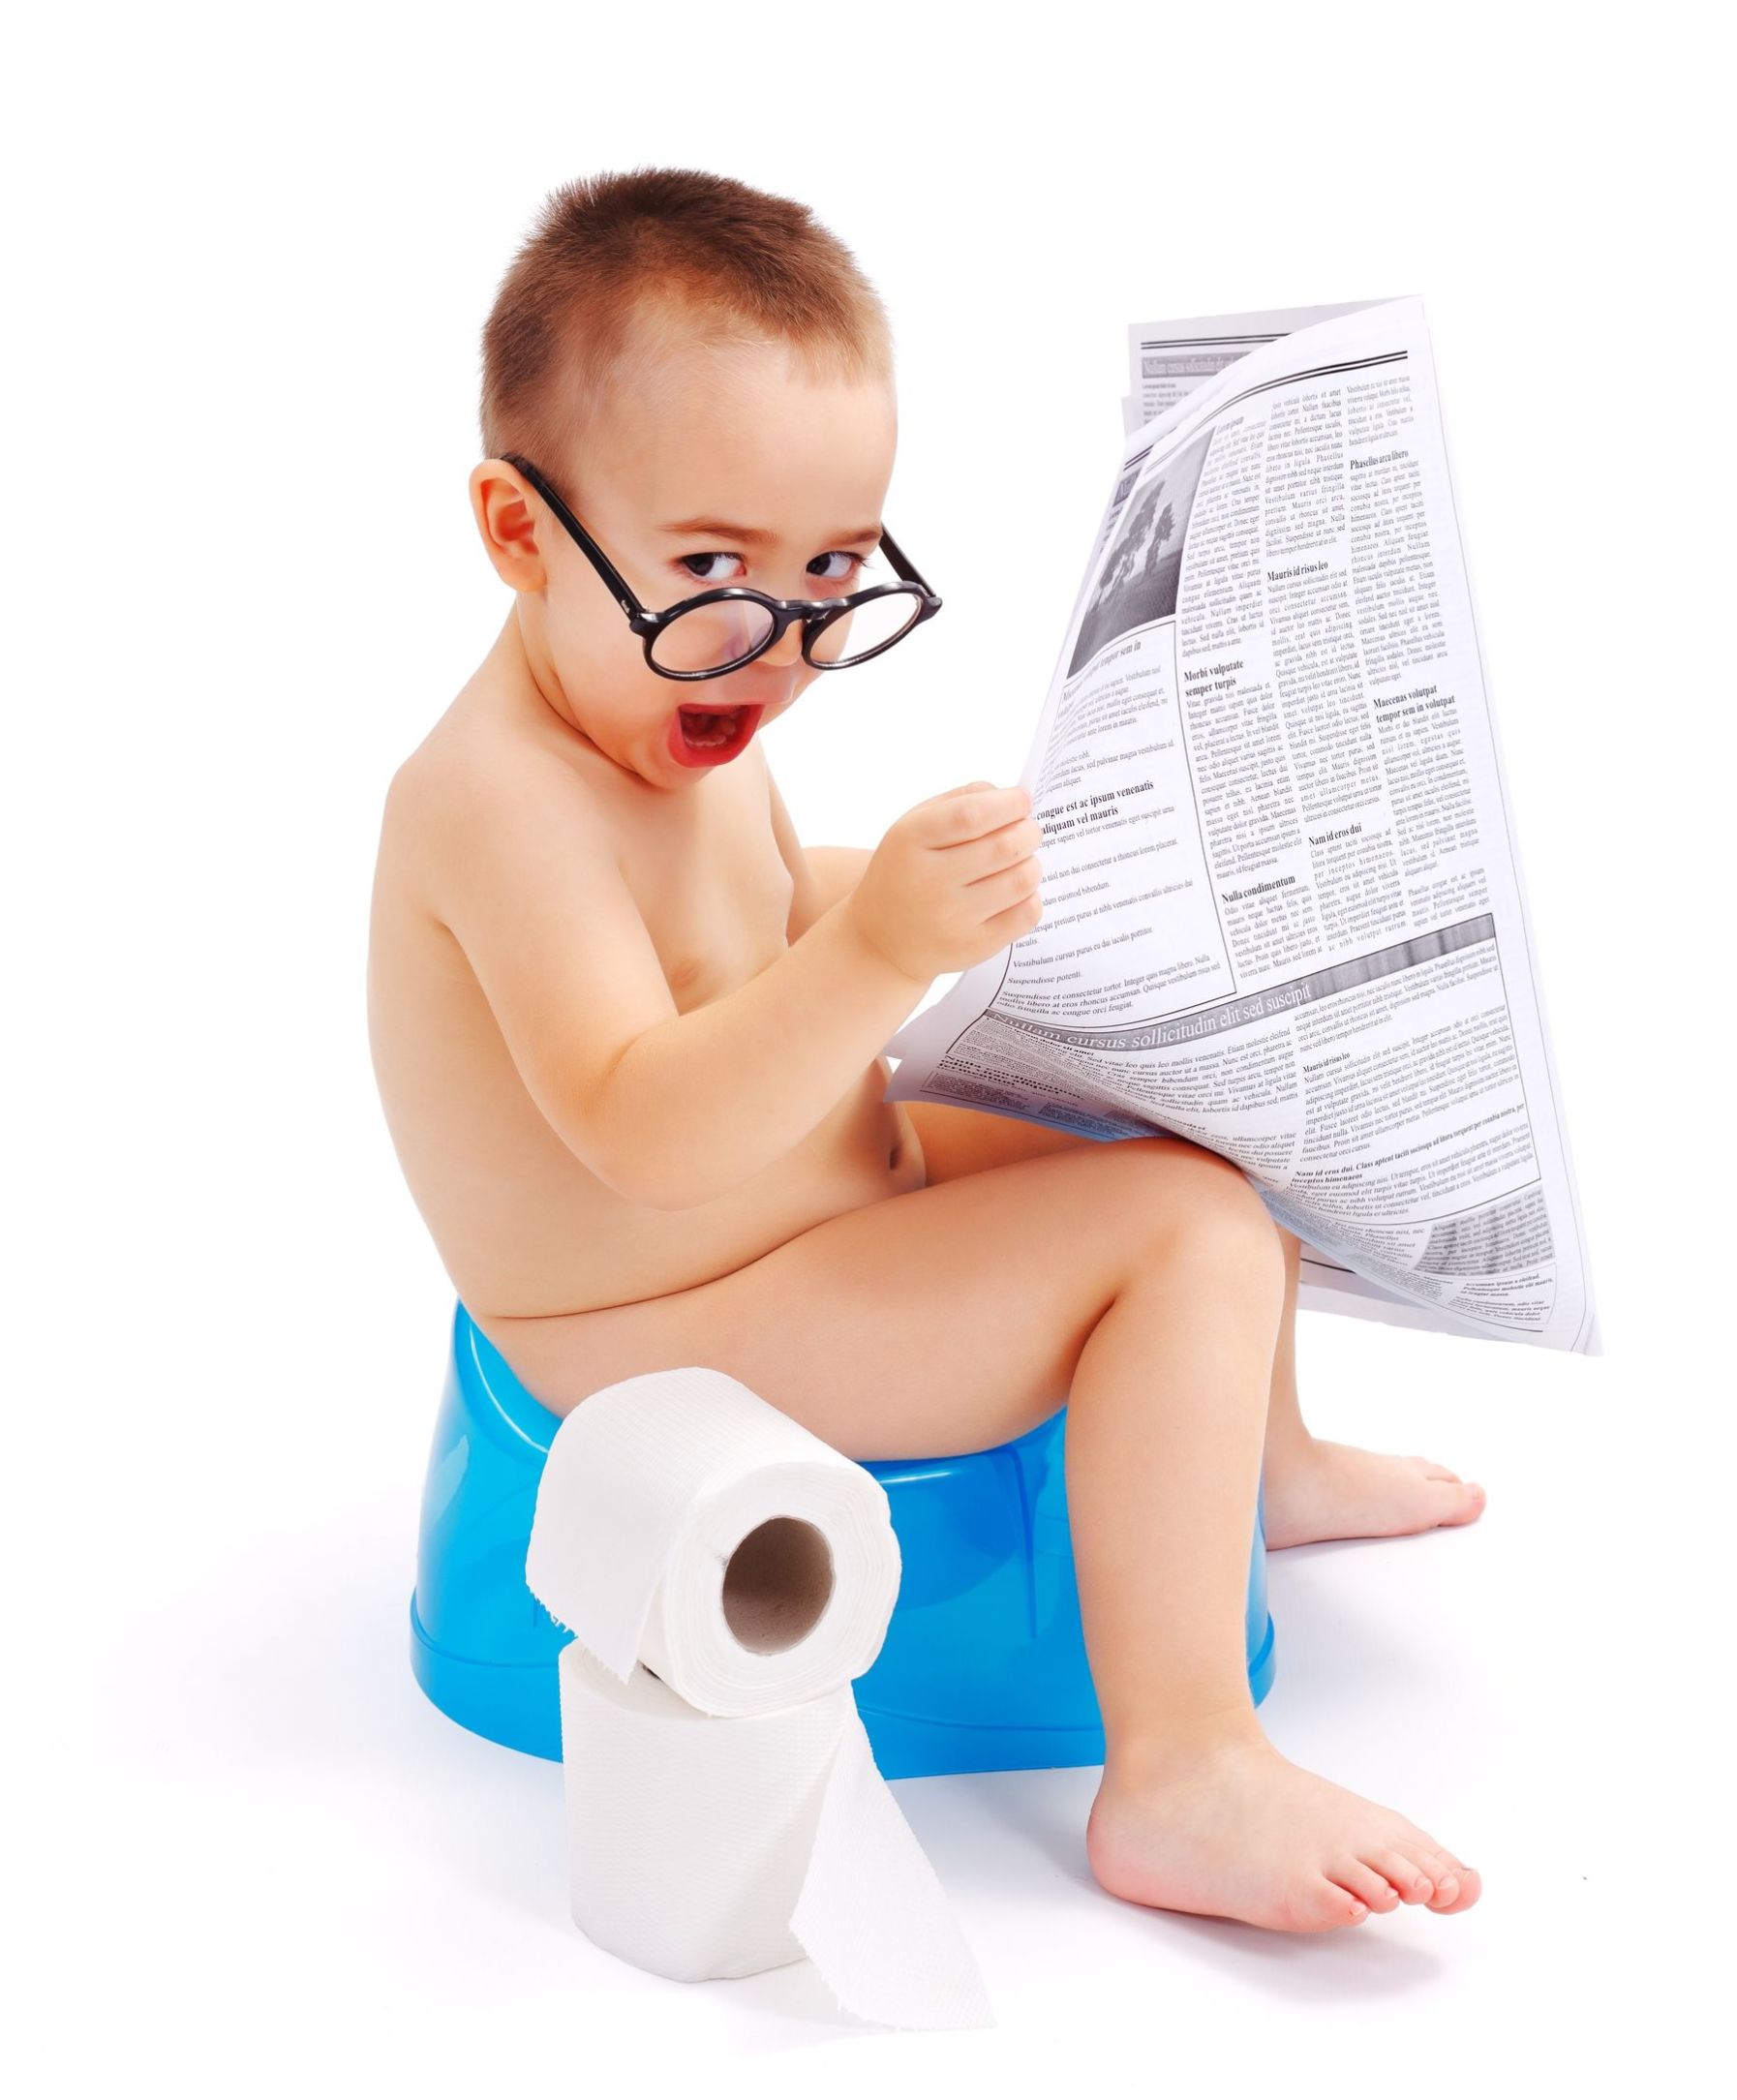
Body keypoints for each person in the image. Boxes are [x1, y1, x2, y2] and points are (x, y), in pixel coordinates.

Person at [368, 167, 1484, 1934]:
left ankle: (1257, 1467)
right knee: (1179, 1238)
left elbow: (751, 916)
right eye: (715, 571)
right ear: (519, 531)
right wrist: (884, 946)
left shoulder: (674, 700)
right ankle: (1186, 1761)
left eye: (831, 574)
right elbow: (642, 1126)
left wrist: (986, 910)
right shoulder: (500, 804)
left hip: (812, 1200)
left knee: (1187, 1110)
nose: (784, 642)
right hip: (663, 1326)